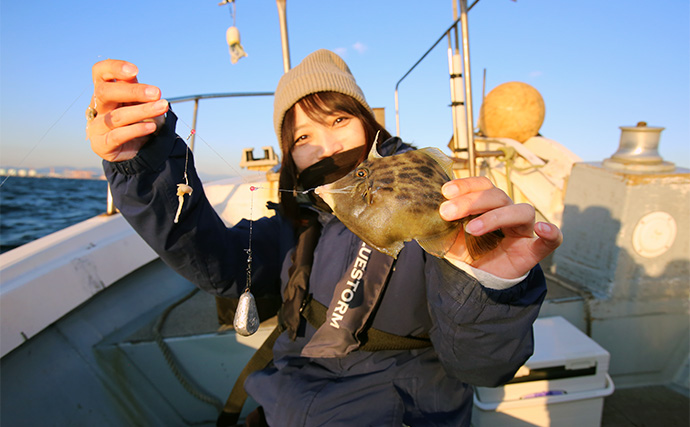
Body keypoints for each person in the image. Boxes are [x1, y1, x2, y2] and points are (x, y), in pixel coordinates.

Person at [87, 49, 562, 426]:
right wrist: (146, 163)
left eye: (338, 121)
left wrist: (484, 280)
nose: (328, 146)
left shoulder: (435, 206)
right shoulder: (299, 223)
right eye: (301, 138)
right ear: (291, 159)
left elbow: (481, 367)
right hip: (286, 404)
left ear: (367, 123)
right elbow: (221, 263)